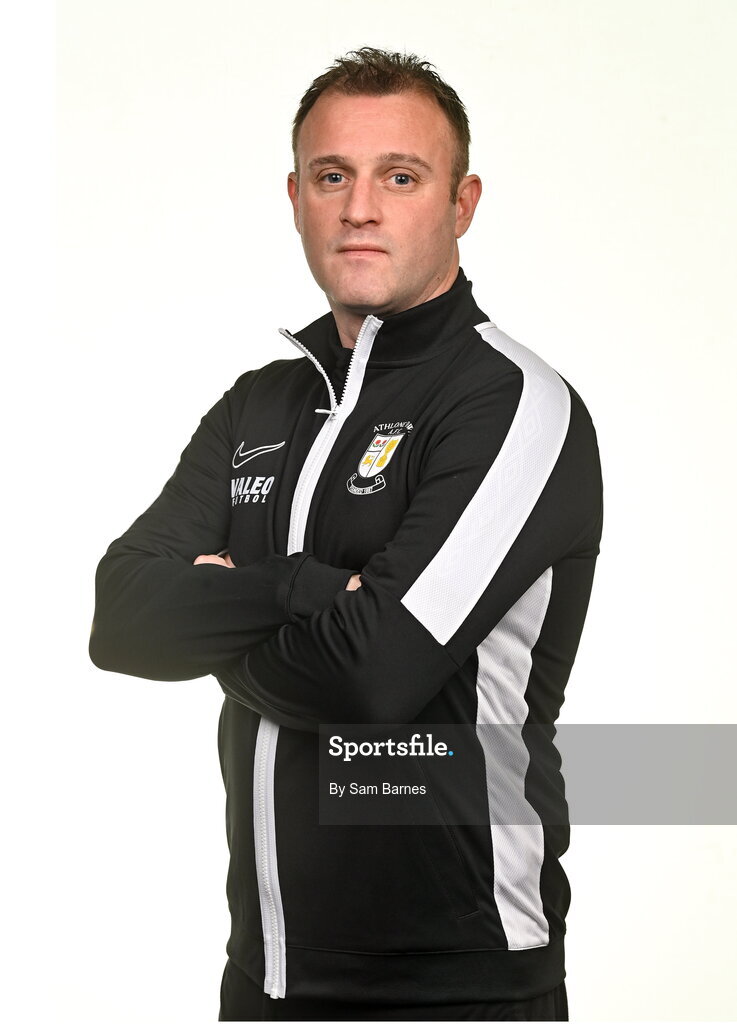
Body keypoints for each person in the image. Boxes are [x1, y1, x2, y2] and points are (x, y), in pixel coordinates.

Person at [90, 47, 602, 1022]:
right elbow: (121, 616)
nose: (358, 207)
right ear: (295, 195)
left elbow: (376, 677)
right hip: (266, 977)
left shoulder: (509, 406)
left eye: (398, 177)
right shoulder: (256, 407)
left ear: (460, 202)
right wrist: (299, 591)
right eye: (332, 176)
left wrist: (218, 610)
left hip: (458, 986)